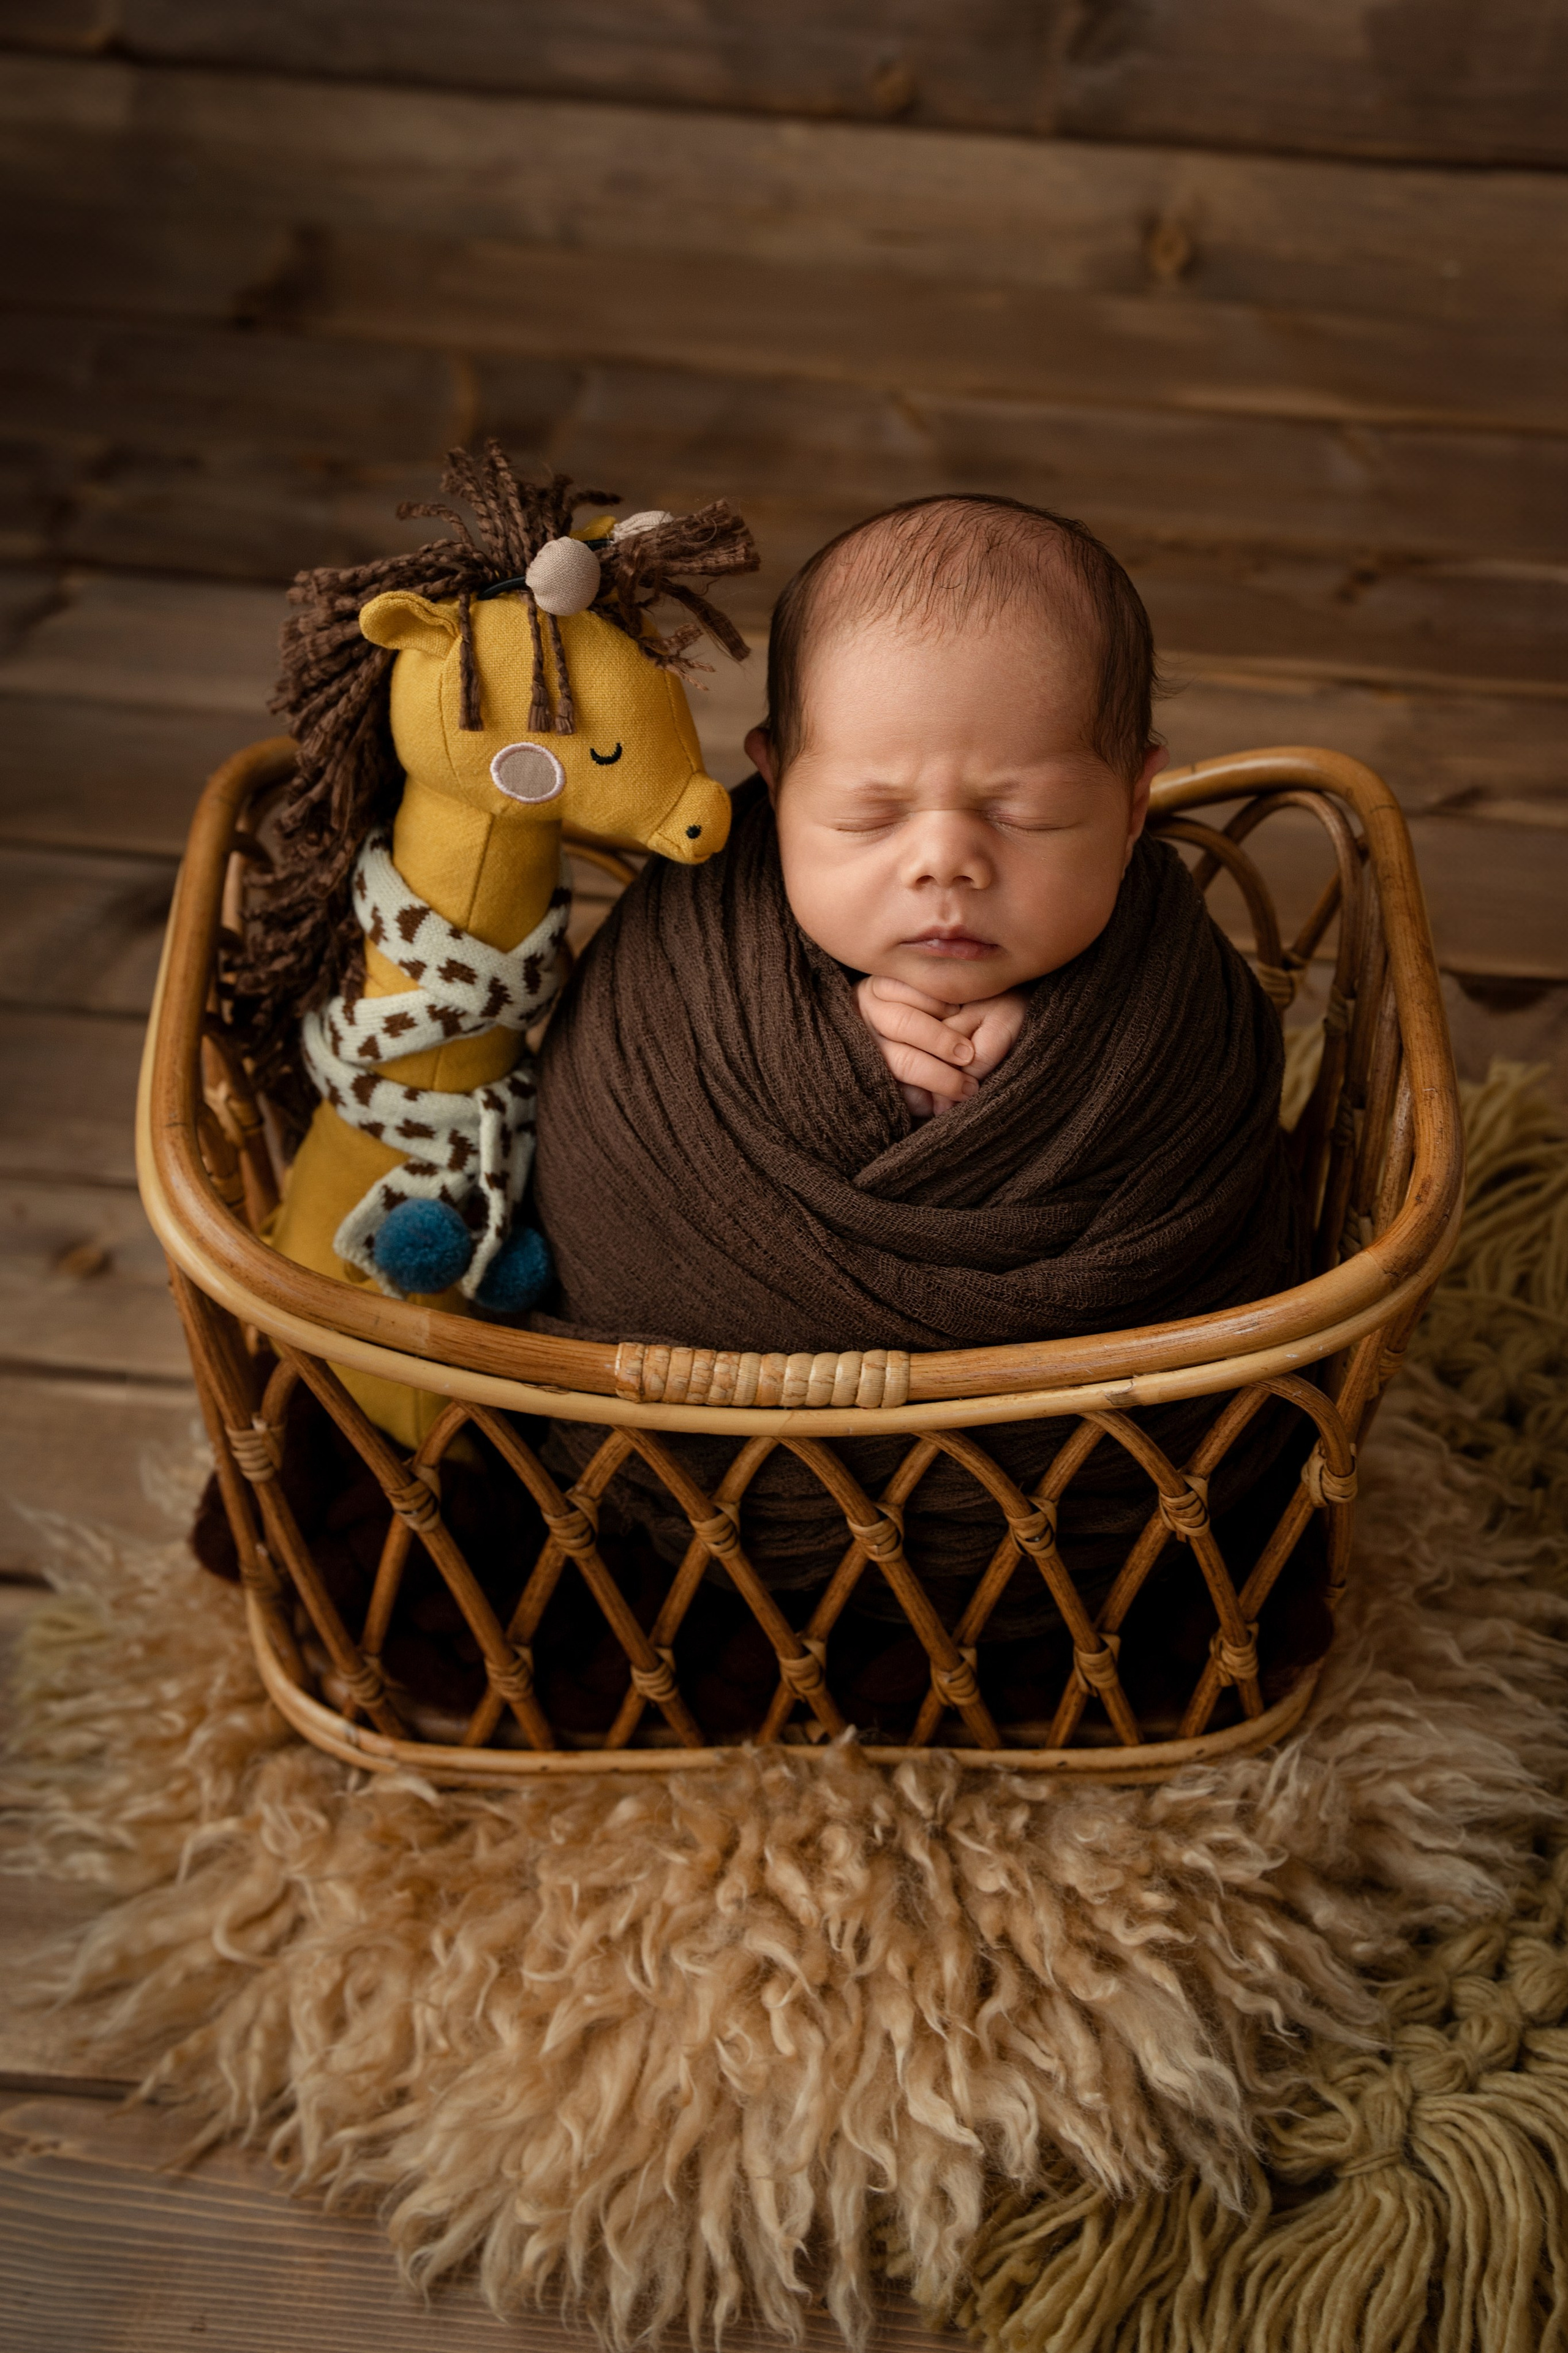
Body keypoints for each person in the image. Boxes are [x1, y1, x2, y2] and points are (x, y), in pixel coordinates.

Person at [527, 494, 1315, 1734]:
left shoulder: (1174, 985)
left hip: (1072, 1514)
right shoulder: (685, 951)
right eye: (868, 814)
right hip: (706, 1482)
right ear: (775, 779)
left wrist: (1052, 1071)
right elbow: (603, 1155)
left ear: (1131, 801)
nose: (944, 860)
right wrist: (834, 1071)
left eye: (1027, 812)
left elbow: (1203, 1203)